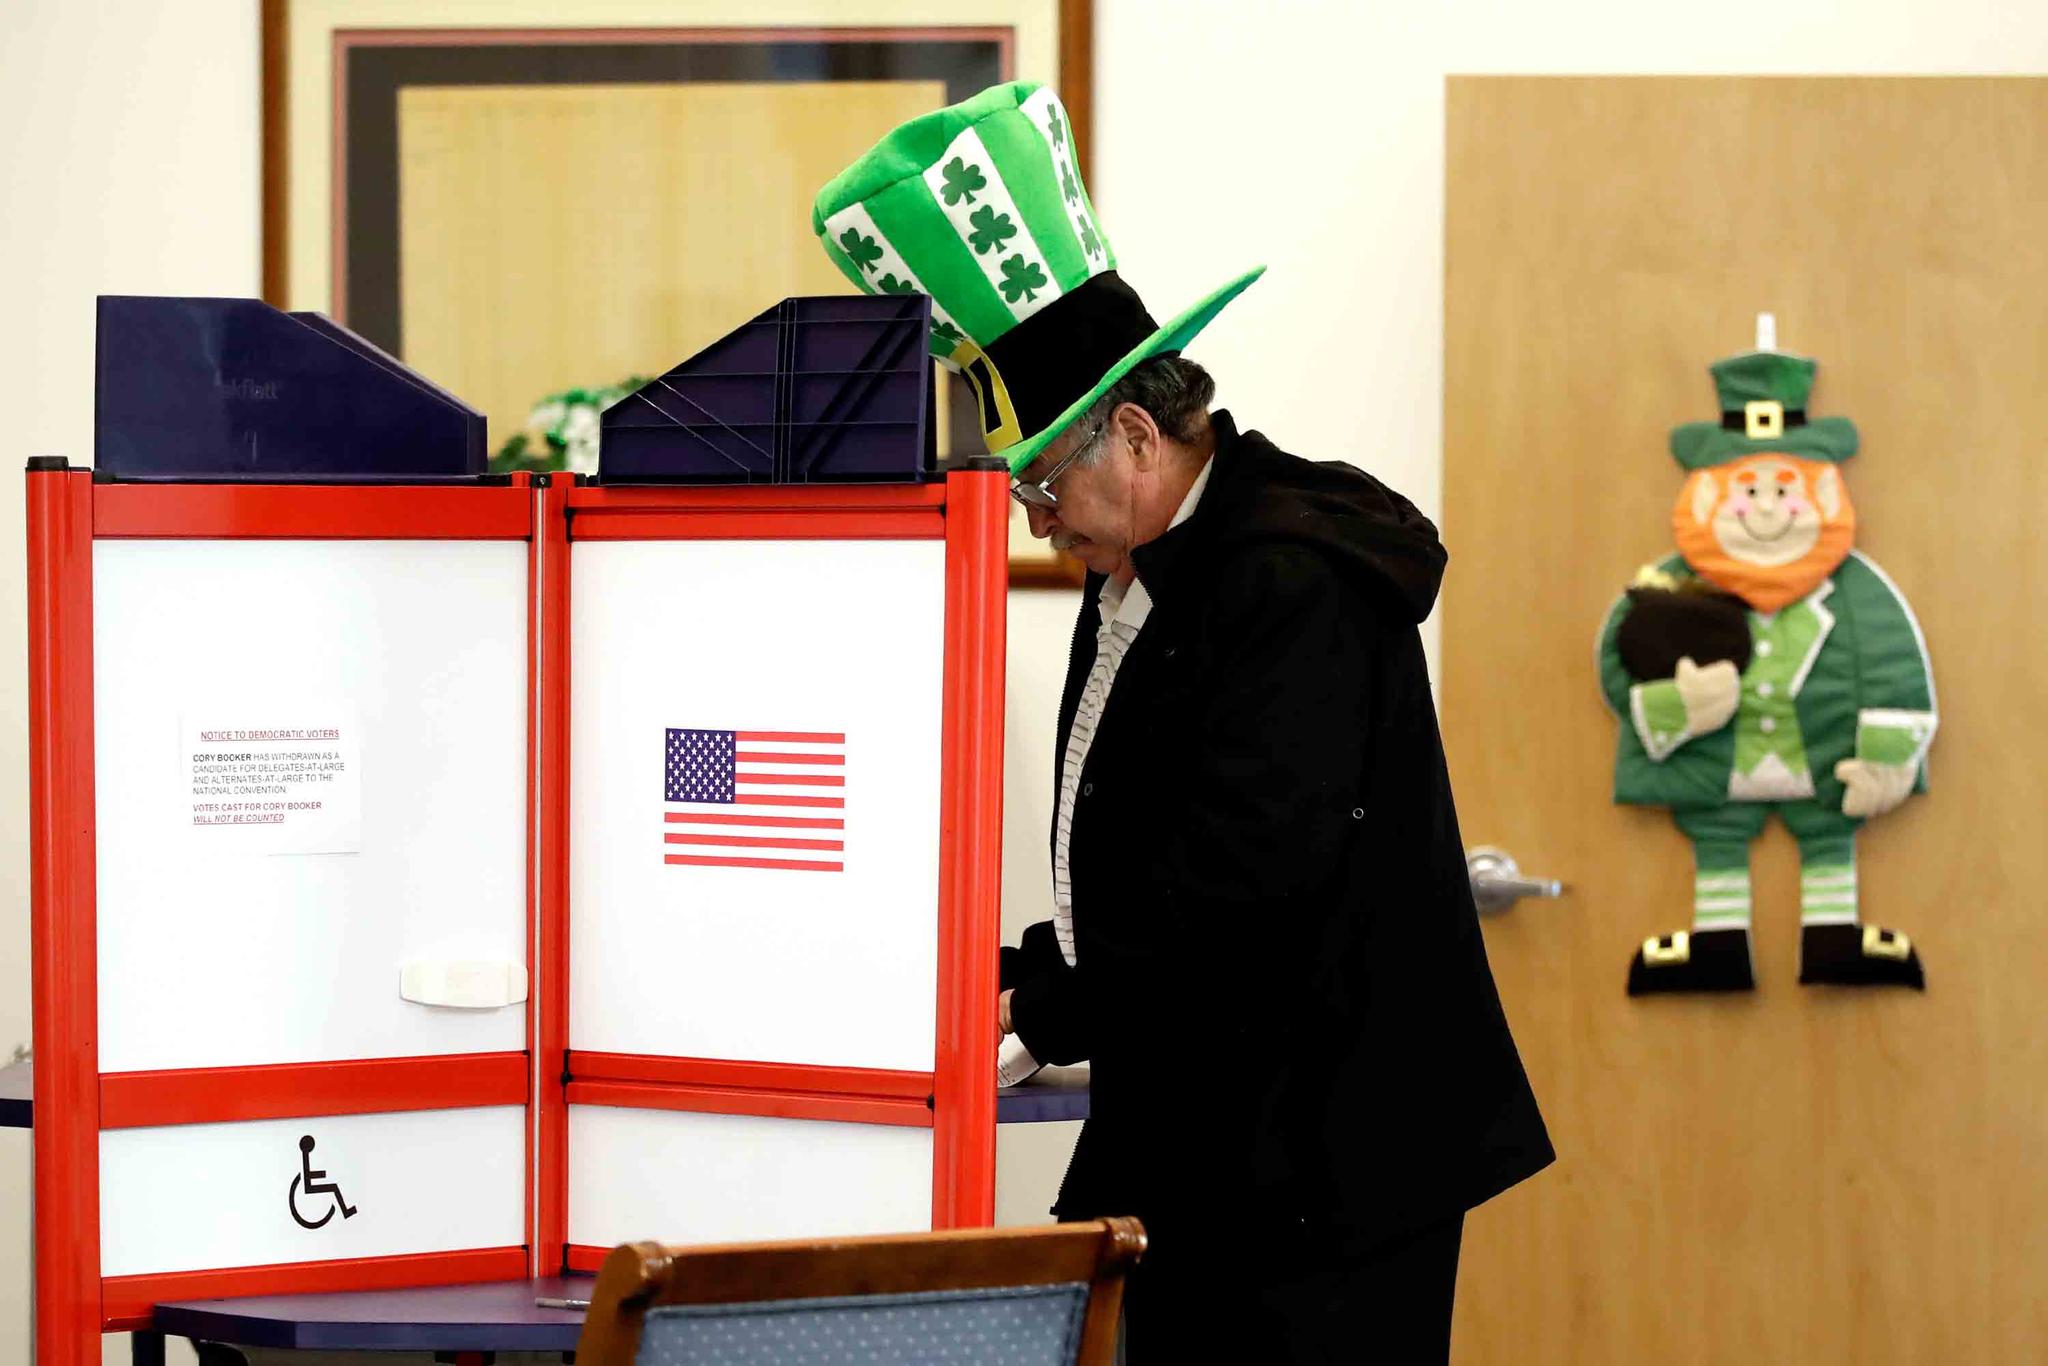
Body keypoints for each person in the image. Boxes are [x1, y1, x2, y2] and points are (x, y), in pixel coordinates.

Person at [816, 80, 1552, 1363]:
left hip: (1322, 1168)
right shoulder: (1157, 571)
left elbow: (1241, 880)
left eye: (1042, 484)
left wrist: (1052, 1001)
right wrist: (1029, 967)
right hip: (1226, 1137)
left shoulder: (1285, 581)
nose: (1033, 521)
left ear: (1140, 436)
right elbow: (1144, 835)